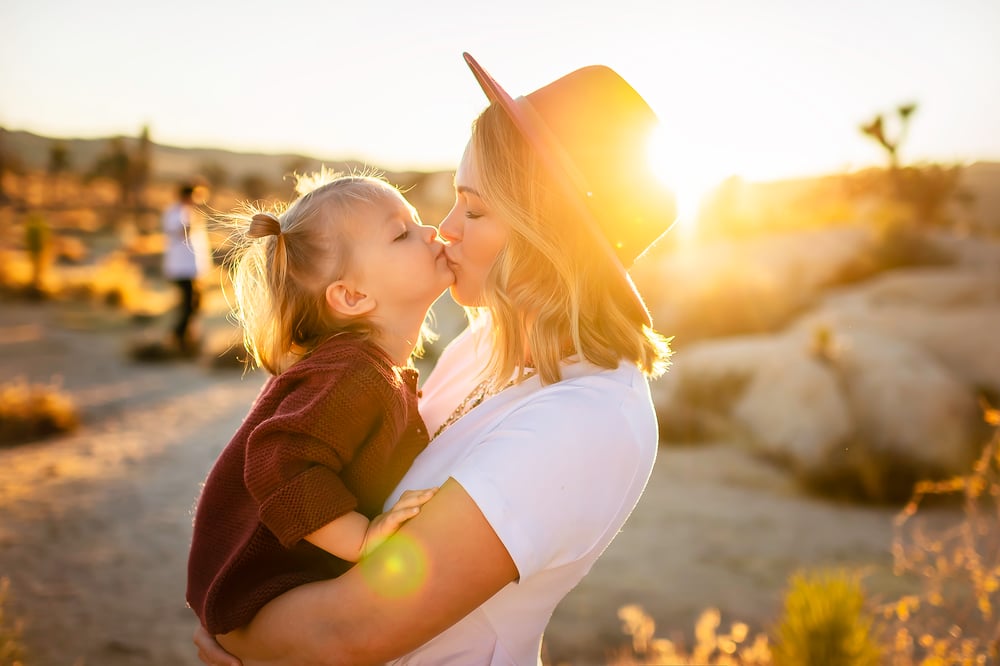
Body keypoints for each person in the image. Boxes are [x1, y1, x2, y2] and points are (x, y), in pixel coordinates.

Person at [194, 52, 677, 665]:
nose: (444, 229)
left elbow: (346, 633)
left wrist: (240, 644)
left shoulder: (586, 421)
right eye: (454, 200)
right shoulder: (482, 346)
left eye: (474, 210)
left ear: (547, 238)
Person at [186, 173, 452, 636]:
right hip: (258, 591)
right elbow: (278, 461)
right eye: (402, 233)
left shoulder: (364, 367)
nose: (431, 232)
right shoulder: (353, 372)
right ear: (352, 296)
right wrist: (362, 539)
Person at [162, 181, 212, 354]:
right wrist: (194, 222)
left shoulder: (191, 212)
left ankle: (185, 337)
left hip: (192, 268)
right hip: (180, 268)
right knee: (188, 305)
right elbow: (179, 232)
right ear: (187, 196)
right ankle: (177, 338)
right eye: (197, 195)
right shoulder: (175, 212)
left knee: (195, 304)